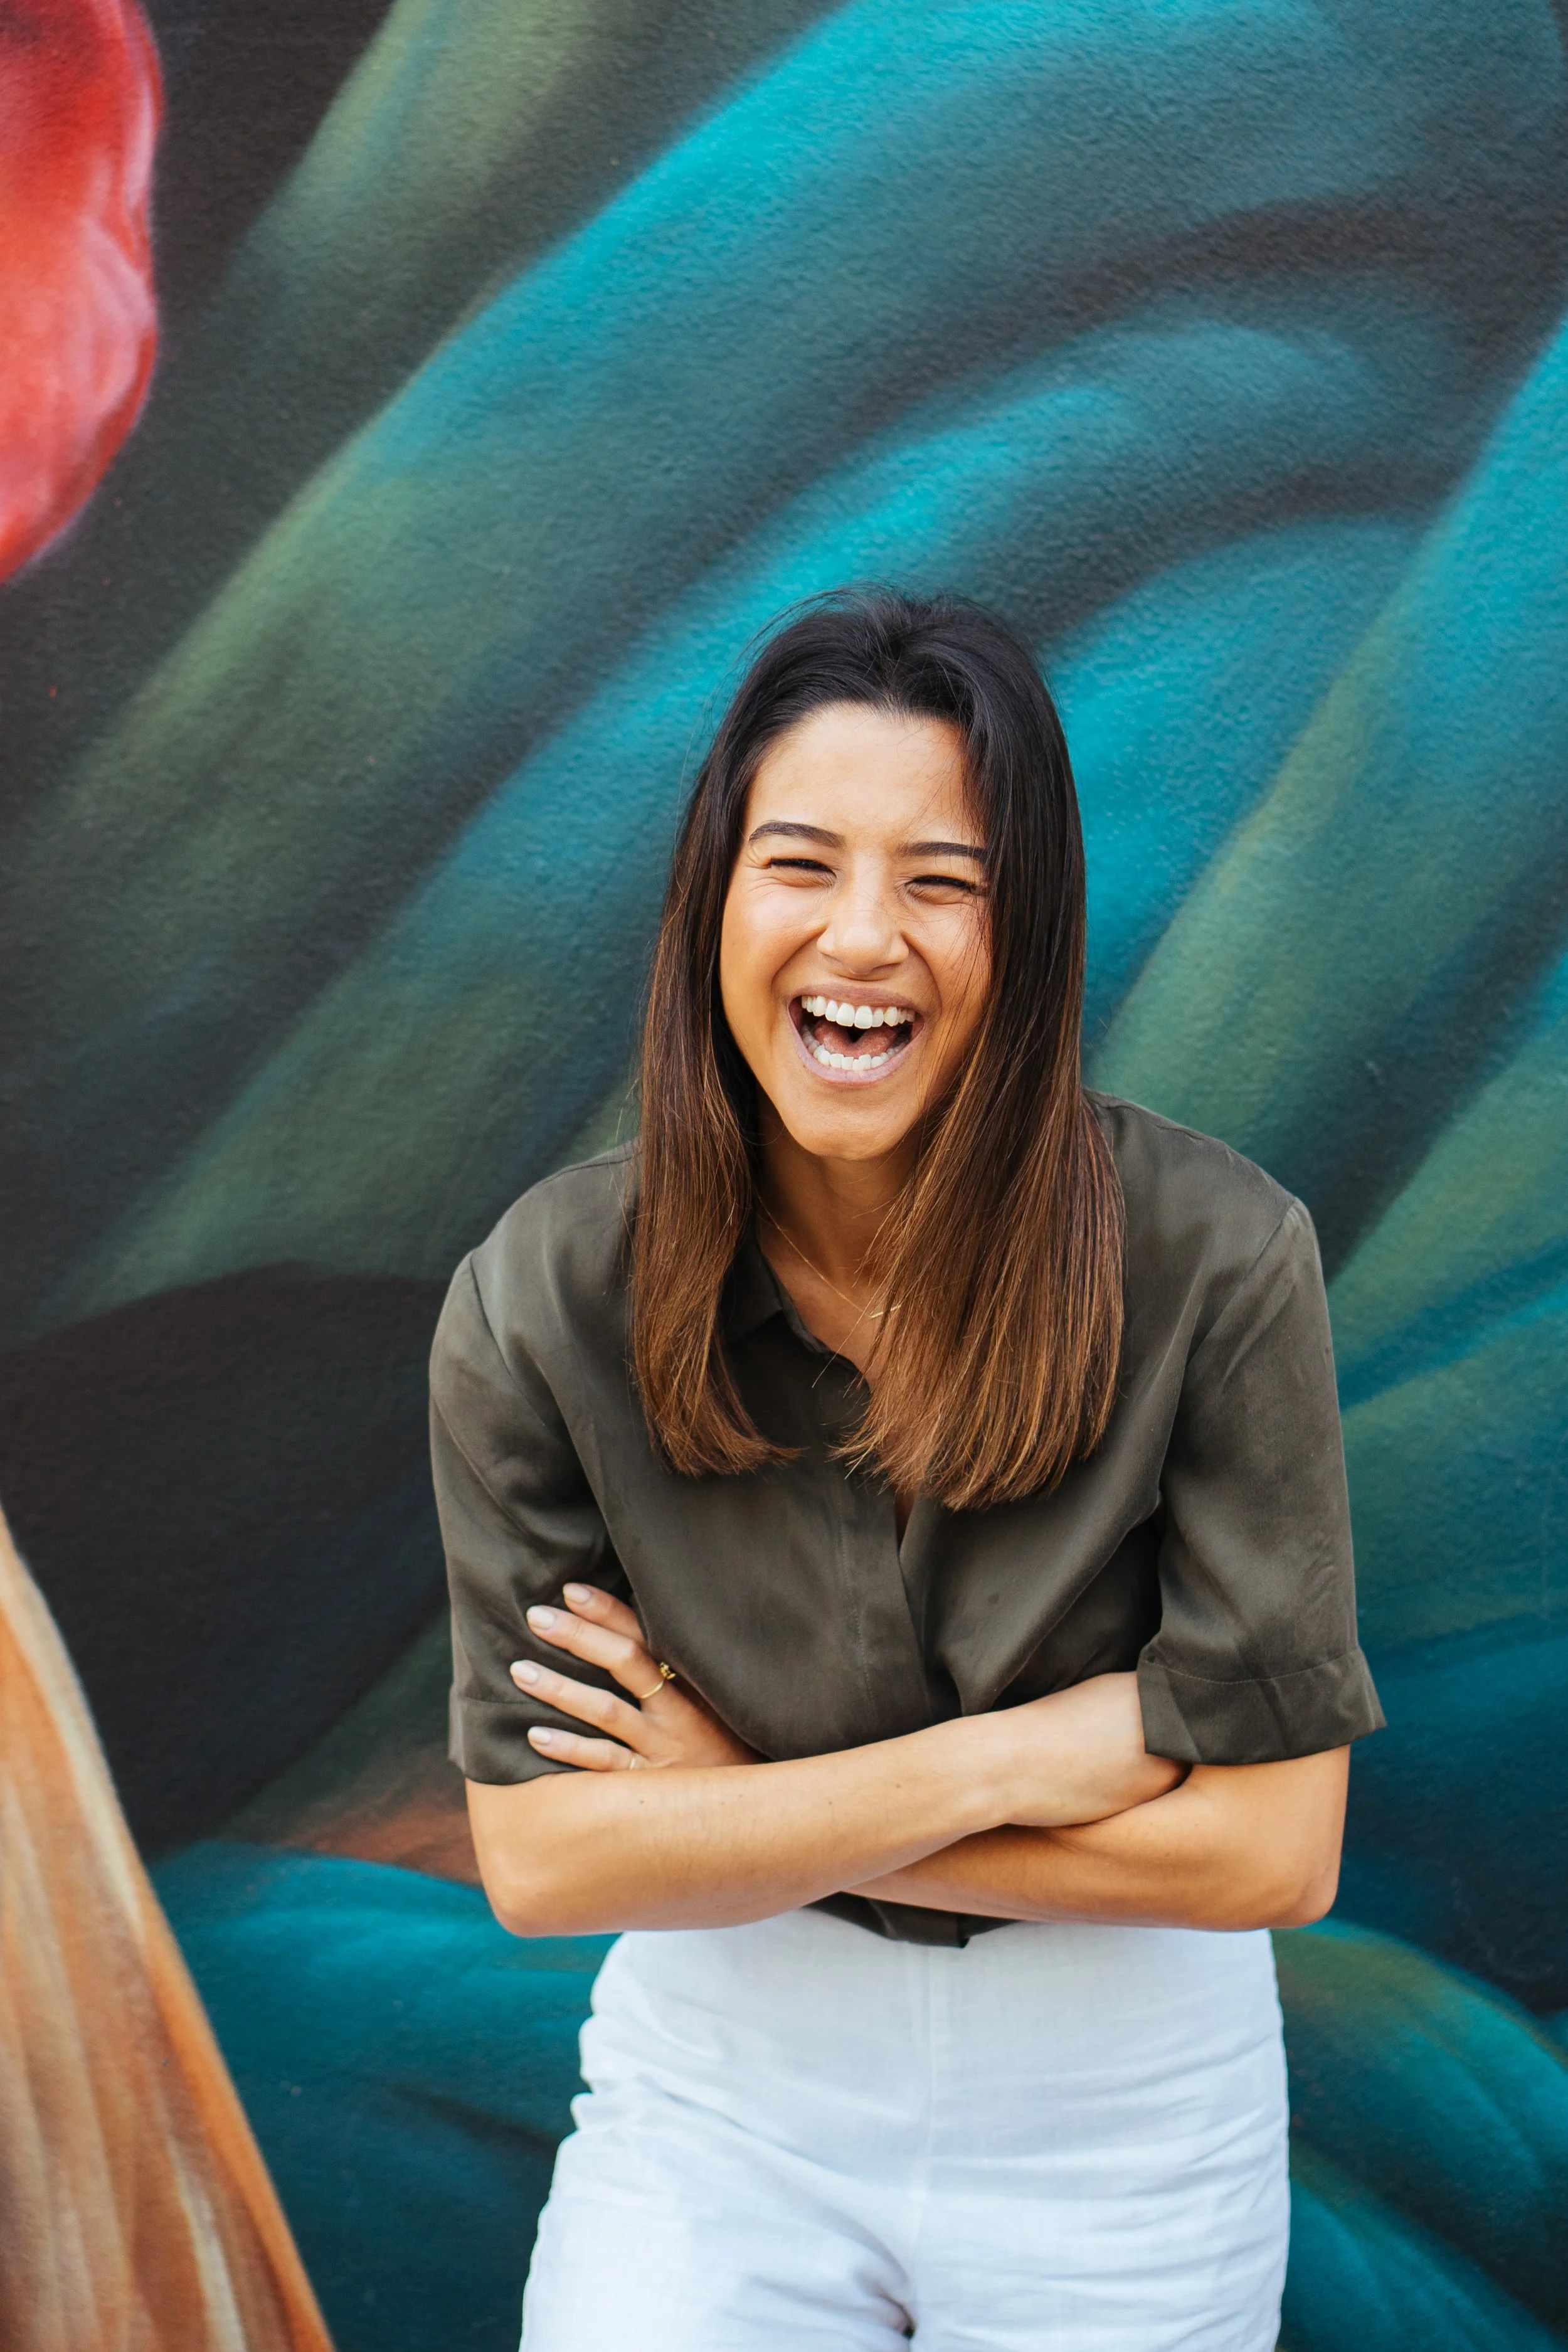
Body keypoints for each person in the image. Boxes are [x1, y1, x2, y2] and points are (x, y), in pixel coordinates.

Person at [430, 590, 1384, 2352]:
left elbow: (1267, 1847)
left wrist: (734, 1814)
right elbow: (552, 1865)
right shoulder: (544, 1298)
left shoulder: (1218, 1259)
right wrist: (1028, 1751)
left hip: (1124, 2116)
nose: (862, 936)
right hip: (720, 2095)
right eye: (799, 863)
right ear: (712, 901)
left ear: (1022, 929)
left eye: (940, 881)